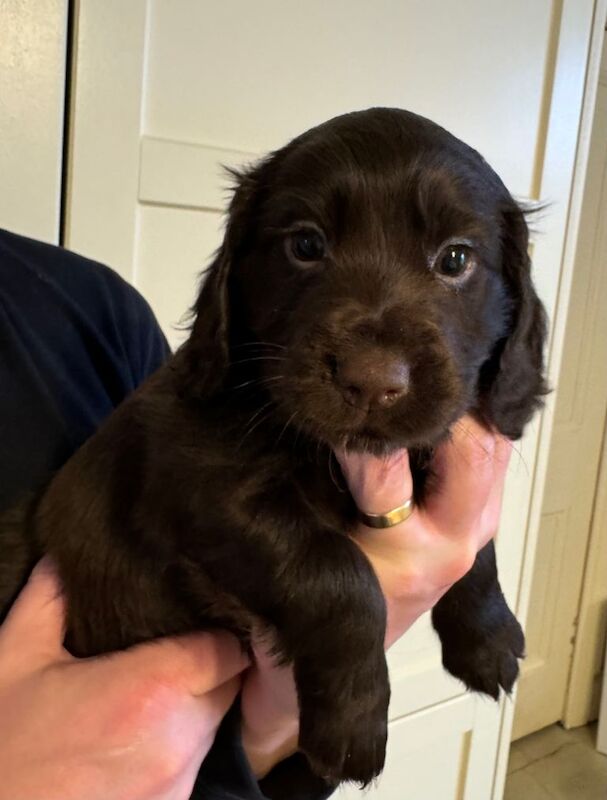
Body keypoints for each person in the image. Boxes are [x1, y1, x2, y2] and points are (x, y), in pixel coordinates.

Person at [0, 228, 512, 800]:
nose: (375, 371)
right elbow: (210, 500)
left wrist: (273, 725)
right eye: (308, 248)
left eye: (455, 260)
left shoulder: (94, 309)